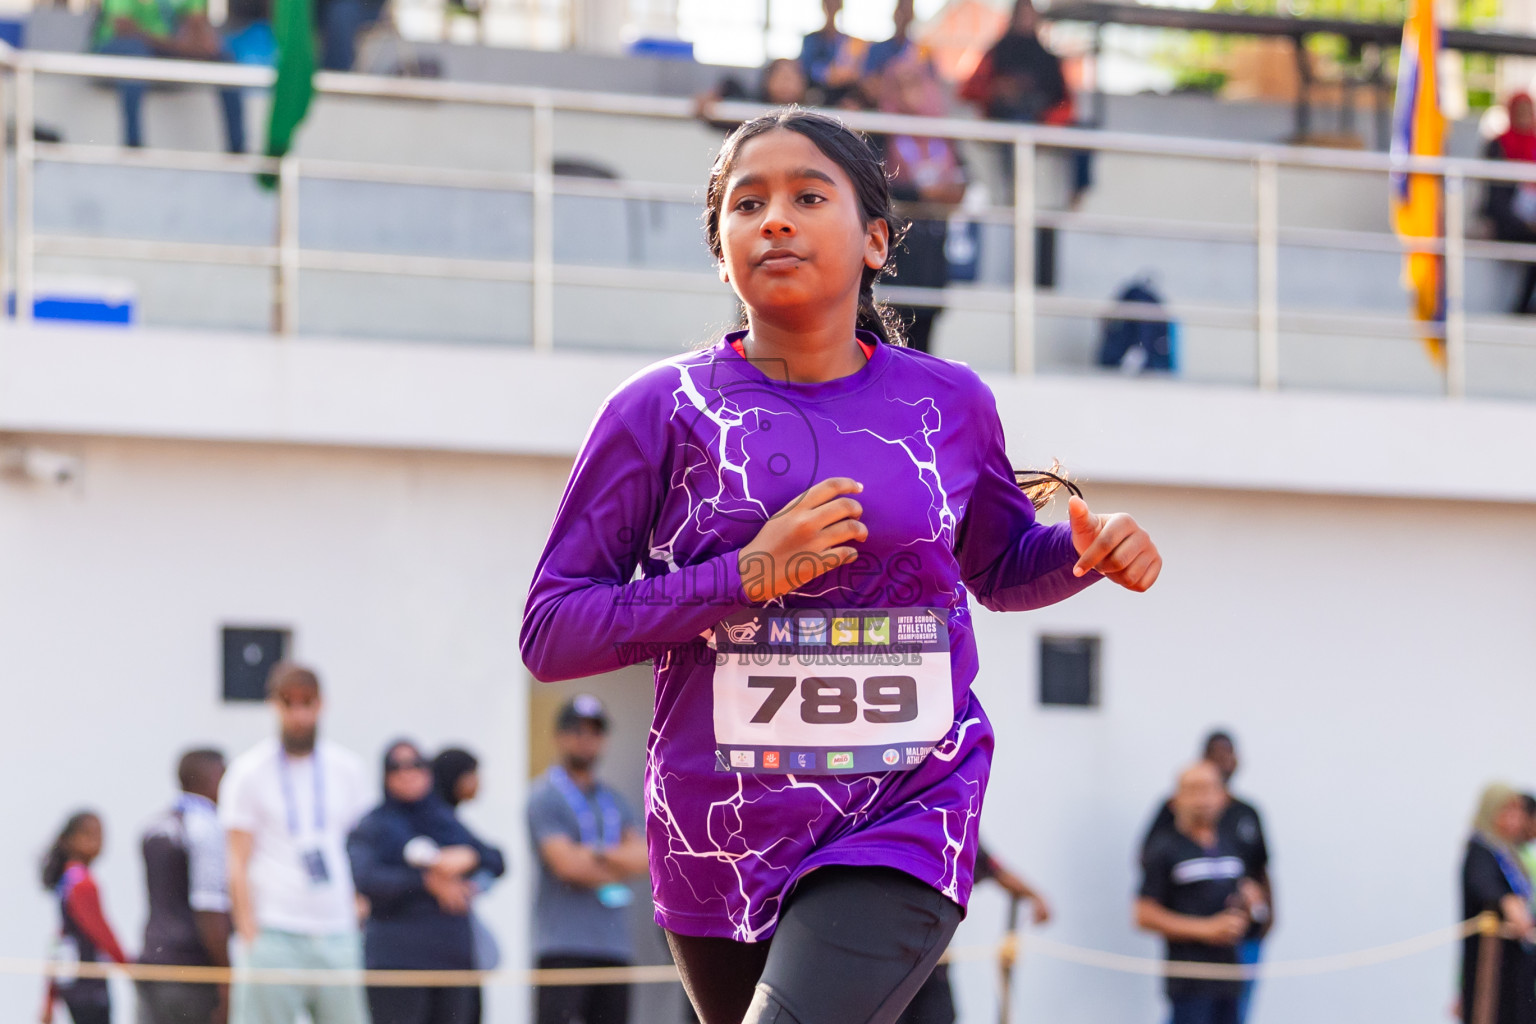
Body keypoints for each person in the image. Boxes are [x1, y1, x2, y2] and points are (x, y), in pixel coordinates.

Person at [519, 107, 1161, 1024]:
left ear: (875, 239)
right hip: (719, 834)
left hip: (903, 811)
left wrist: (1083, 555)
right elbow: (551, 631)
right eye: (748, 203)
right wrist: (744, 574)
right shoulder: (660, 410)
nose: (774, 219)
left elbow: (1001, 564)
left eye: (807, 196)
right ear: (720, 248)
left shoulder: (947, 402)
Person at [220, 662, 371, 1024]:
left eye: (308, 703)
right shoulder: (248, 771)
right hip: (274, 930)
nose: (299, 714)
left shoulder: (347, 768)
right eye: (289, 703)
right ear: (274, 706)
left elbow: (362, 844)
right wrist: (248, 930)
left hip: (337, 930)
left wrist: (360, 903)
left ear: (321, 705)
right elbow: (236, 858)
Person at [348, 739, 506, 1024]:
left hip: (453, 964)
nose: (408, 773)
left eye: (417, 765)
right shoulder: (373, 825)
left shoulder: (444, 821)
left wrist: (469, 857)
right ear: (385, 775)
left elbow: (497, 860)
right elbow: (366, 879)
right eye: (397, 767)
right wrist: (425, 881)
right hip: (397, 964)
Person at [526, 695, 649, 1024]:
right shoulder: (545, 795)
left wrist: (595, 854)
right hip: (563, 945)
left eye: (595, 732)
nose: (586, 740)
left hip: (614, 945)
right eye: (577, 731)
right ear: (560, 736)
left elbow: (646, 859)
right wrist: (616, 861)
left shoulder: (613, 798)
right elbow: (567, 866)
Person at [1141, 730, 1271, 1023]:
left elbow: (1256, 880)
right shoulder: (1167, 846)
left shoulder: (1230, 844)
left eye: (1209, 790)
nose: (1203, 799)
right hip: (1190, 976)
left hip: (1230, 971)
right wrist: (1206, 929)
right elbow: (1142, 912)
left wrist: (1254, 908)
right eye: (1194, 790)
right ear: (1177, 799)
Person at [895, 844, 1051, 1024]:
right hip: (889, 965)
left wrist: (1035, 897)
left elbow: (994, 870)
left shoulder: (954, 829)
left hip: (931, 967)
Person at [878, 50, 966, 355]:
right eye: (900, 84)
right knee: (893, 343)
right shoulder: (881, 132)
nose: (909, 91)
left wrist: (935, 193)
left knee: (927, 346)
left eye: (915, 82)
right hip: (897, 253)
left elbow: (963, 185)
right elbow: (883, 185)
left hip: (933, 250)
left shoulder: (943, 133)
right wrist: (925, 193)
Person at [138, 748, 233, 1024]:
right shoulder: (207, 828)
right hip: (191, 971)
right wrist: (226, 979)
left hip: (153, 963)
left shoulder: (155, 824)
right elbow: (209, 909)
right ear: (212, 777)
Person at [92, 0, 246, 152]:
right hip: (119, 46)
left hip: (163, 47)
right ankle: (133, 146)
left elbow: (197, 24)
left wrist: (202, 46)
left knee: (224, 58)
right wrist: (177, 46)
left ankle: (237, 150)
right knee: (134, 52)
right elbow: (124, 27)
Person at [40, 811, 129, 1024]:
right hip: (88, 985)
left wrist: (50, 997)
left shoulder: (68, 880)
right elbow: (100, 930)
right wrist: (128, 963)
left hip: (73, 981)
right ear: (70, 840)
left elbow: (61, 940)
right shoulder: (82, 884)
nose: (97, 841)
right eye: (88, 834)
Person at [432, 746, 498, 1024]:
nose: (478, 782)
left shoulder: (449, 820)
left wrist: (474, 882)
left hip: (456, 946)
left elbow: (494, 859)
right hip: (438, 945)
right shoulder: (437, 818)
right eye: (472, 774)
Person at [1461, 783, 1536, 1024]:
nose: (1513, 820)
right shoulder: (1480, 849)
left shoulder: (1509, 852)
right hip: (1490, 966)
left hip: (1516, 965)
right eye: (1506, 812)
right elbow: (1483, 884)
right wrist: (1508, 904)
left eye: (1517, 813)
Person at [959, 0, 1069, 127]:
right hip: (1000, 123)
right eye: (1023, 14)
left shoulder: (1047, 59)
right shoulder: (998, 52)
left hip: (1040, 124)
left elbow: (1060, 98)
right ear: (1014, 16)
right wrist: (999, 89)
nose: (1026, 19)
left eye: (1029, 15)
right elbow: (973, 90)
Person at [1482, 93, 1536, 315]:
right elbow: (1495, 199)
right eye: (1520, 110)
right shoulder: (1498, 145)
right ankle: (1522, 308)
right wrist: (1525, 223)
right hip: (1510, 222)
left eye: (1528, 110)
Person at [798, 0, 868, 100]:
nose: (832, 7)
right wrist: (828, 74)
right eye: (829, 3)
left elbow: (857, 70)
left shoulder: (848, 41)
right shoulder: (811, 39)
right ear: (823, 6)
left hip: (843, 94)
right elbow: (806, 67)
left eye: (835, 3)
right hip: (817, 93)